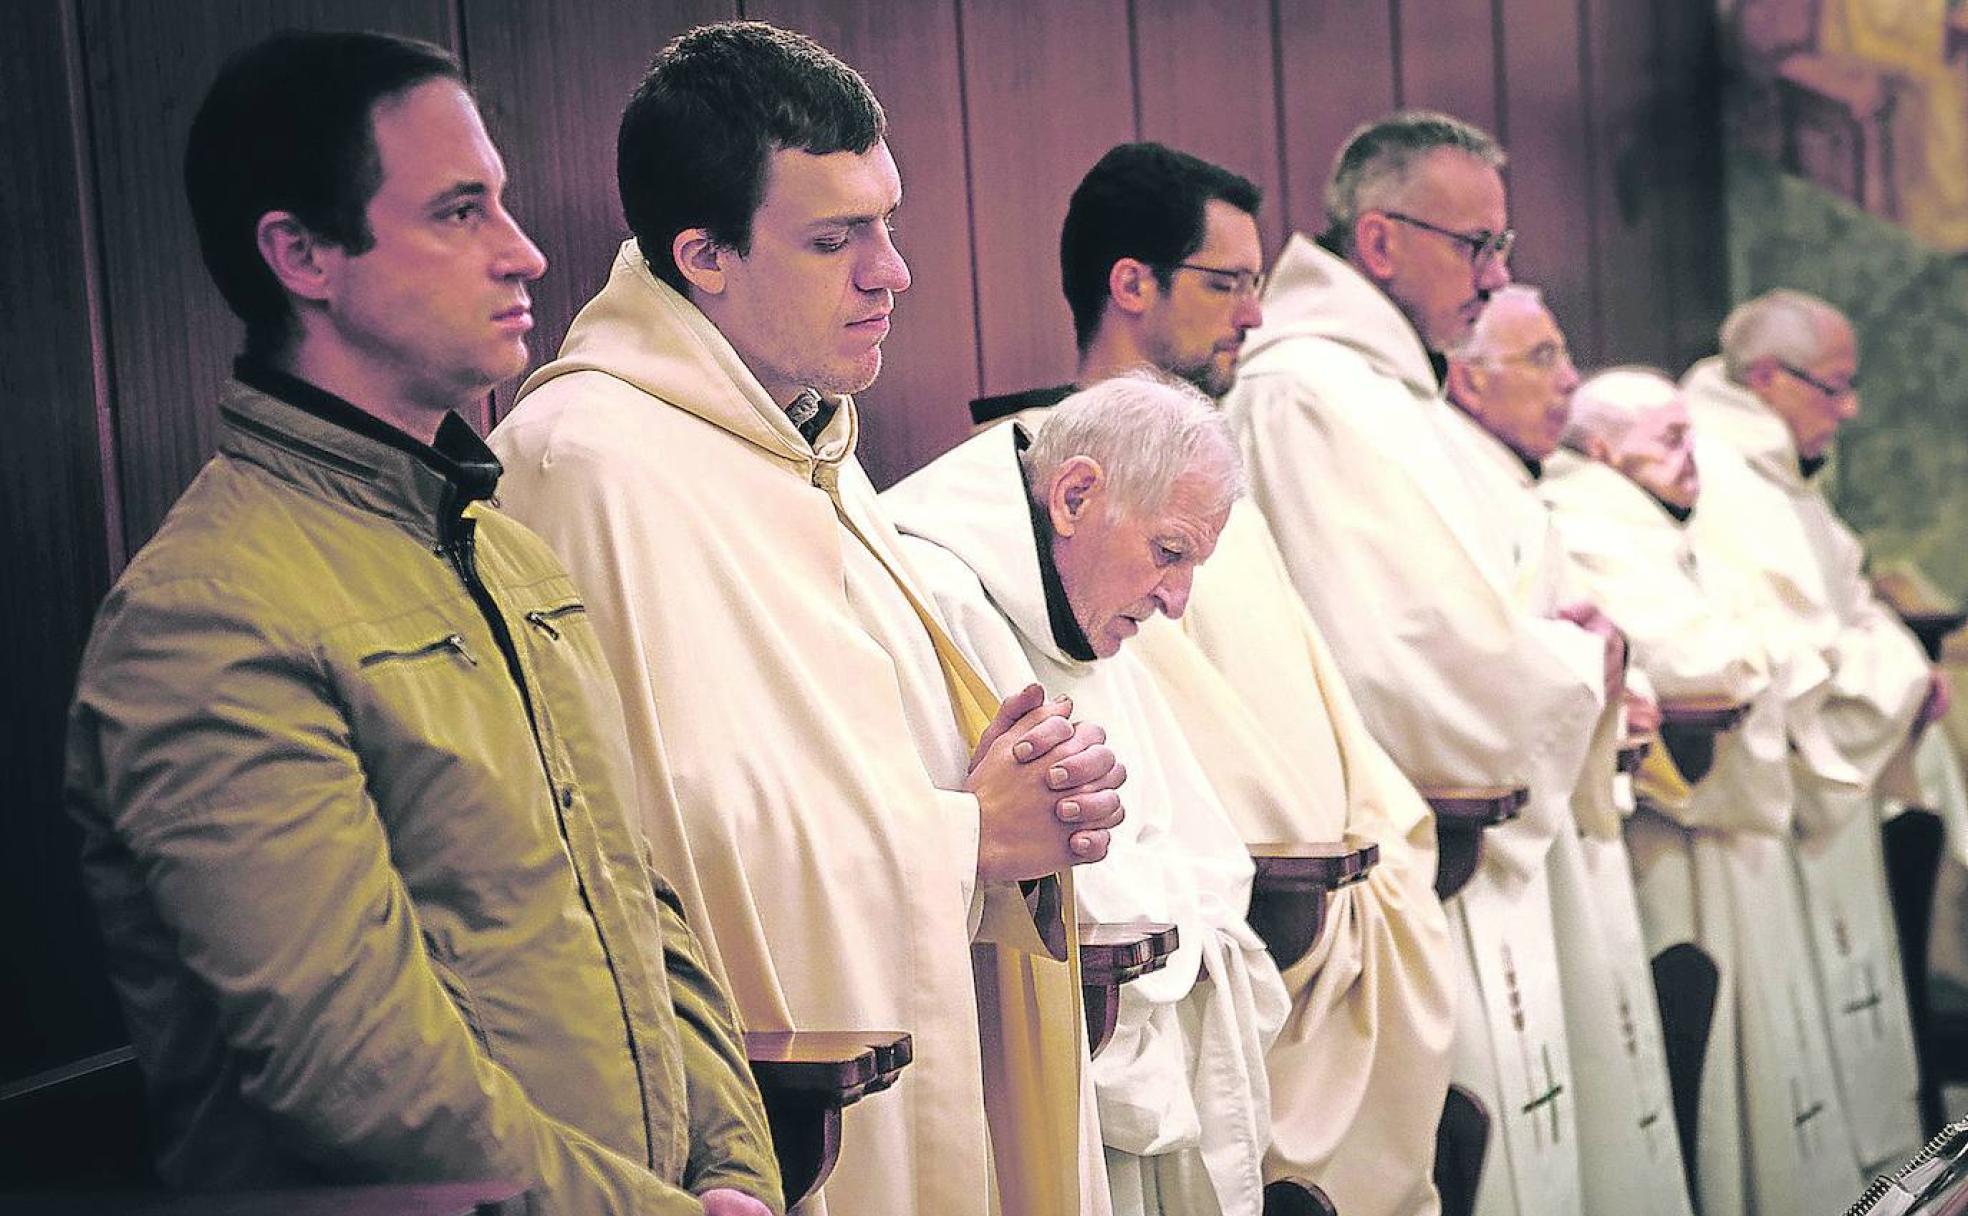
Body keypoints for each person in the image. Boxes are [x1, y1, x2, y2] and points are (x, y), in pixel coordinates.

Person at [63, 31, 777, 1215]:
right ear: (302, 254)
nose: (526, 251)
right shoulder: (204, 621)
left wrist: (737, 1171)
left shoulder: (506, 547)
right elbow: (358, 1080)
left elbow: (642, 902)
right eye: (459, 212)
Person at [487, 22, 1123, 1216]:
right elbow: (657, 854)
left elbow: (855, 756)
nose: (894, 271)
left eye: (887, 221)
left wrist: (1024, 778)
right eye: (837, 239)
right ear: (703, 255)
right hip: (783, 1125)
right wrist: (966, 839)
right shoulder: (589, 466)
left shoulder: (798, 434)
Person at [974, 140, 1456, 1216]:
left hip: (1308, 917)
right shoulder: (1071, 509)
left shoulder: (1198, 471)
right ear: (1131, 283)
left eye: (1259, 284)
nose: (1254, 314)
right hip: (1249, 931)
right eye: (1228, 283)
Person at [1226, 110, 1623, 1216]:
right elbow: (1396, 645)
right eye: (1476, 246)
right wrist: (1573, 663)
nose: (1498, 279)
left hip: (1472, 826)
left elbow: (1481, 598)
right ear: (1382, 242)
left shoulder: (1392, 386)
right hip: (1421, 830)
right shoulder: (1308, 389)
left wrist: (1559, 639)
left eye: (1503, 247)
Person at [885, 375, 1288, 1216]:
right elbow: (1036, 880)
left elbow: (1209, 858)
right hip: (1015, 1060)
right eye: (1169, 553)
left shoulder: (1083, 617)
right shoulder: (935, 599)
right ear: (1074, 497)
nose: (1177, 602)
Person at [1542, 366, 1865, 1215]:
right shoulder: (1588, 519)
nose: (1694, 459)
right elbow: (1707, 660)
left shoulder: (1644, 516)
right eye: (1670, 441)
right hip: (1668, 839)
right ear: (1605, 448)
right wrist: (1760, 654)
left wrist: (1756, 651)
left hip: (1711, 823)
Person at [1444, 294, 1697, 1216]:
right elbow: (1466, 659)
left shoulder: (1517, 486)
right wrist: (1591, 658)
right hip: (1506, 840)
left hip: (1567, 822)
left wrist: (1605, 662)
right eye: (1543, 357)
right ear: (1469, 378)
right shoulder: (1455, 482)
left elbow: (1603, 639)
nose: (1568, 381)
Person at [1683, 288, 1941, 1172]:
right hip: (1774, 803)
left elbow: (1852, 600)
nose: (1851, 408)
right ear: (1766, 377)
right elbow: (1781, 652)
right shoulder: (1715, 472)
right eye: (1834, 387)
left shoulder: (1776, 473)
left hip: (1829, 792)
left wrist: (1895, 673)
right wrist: (1896, 679)